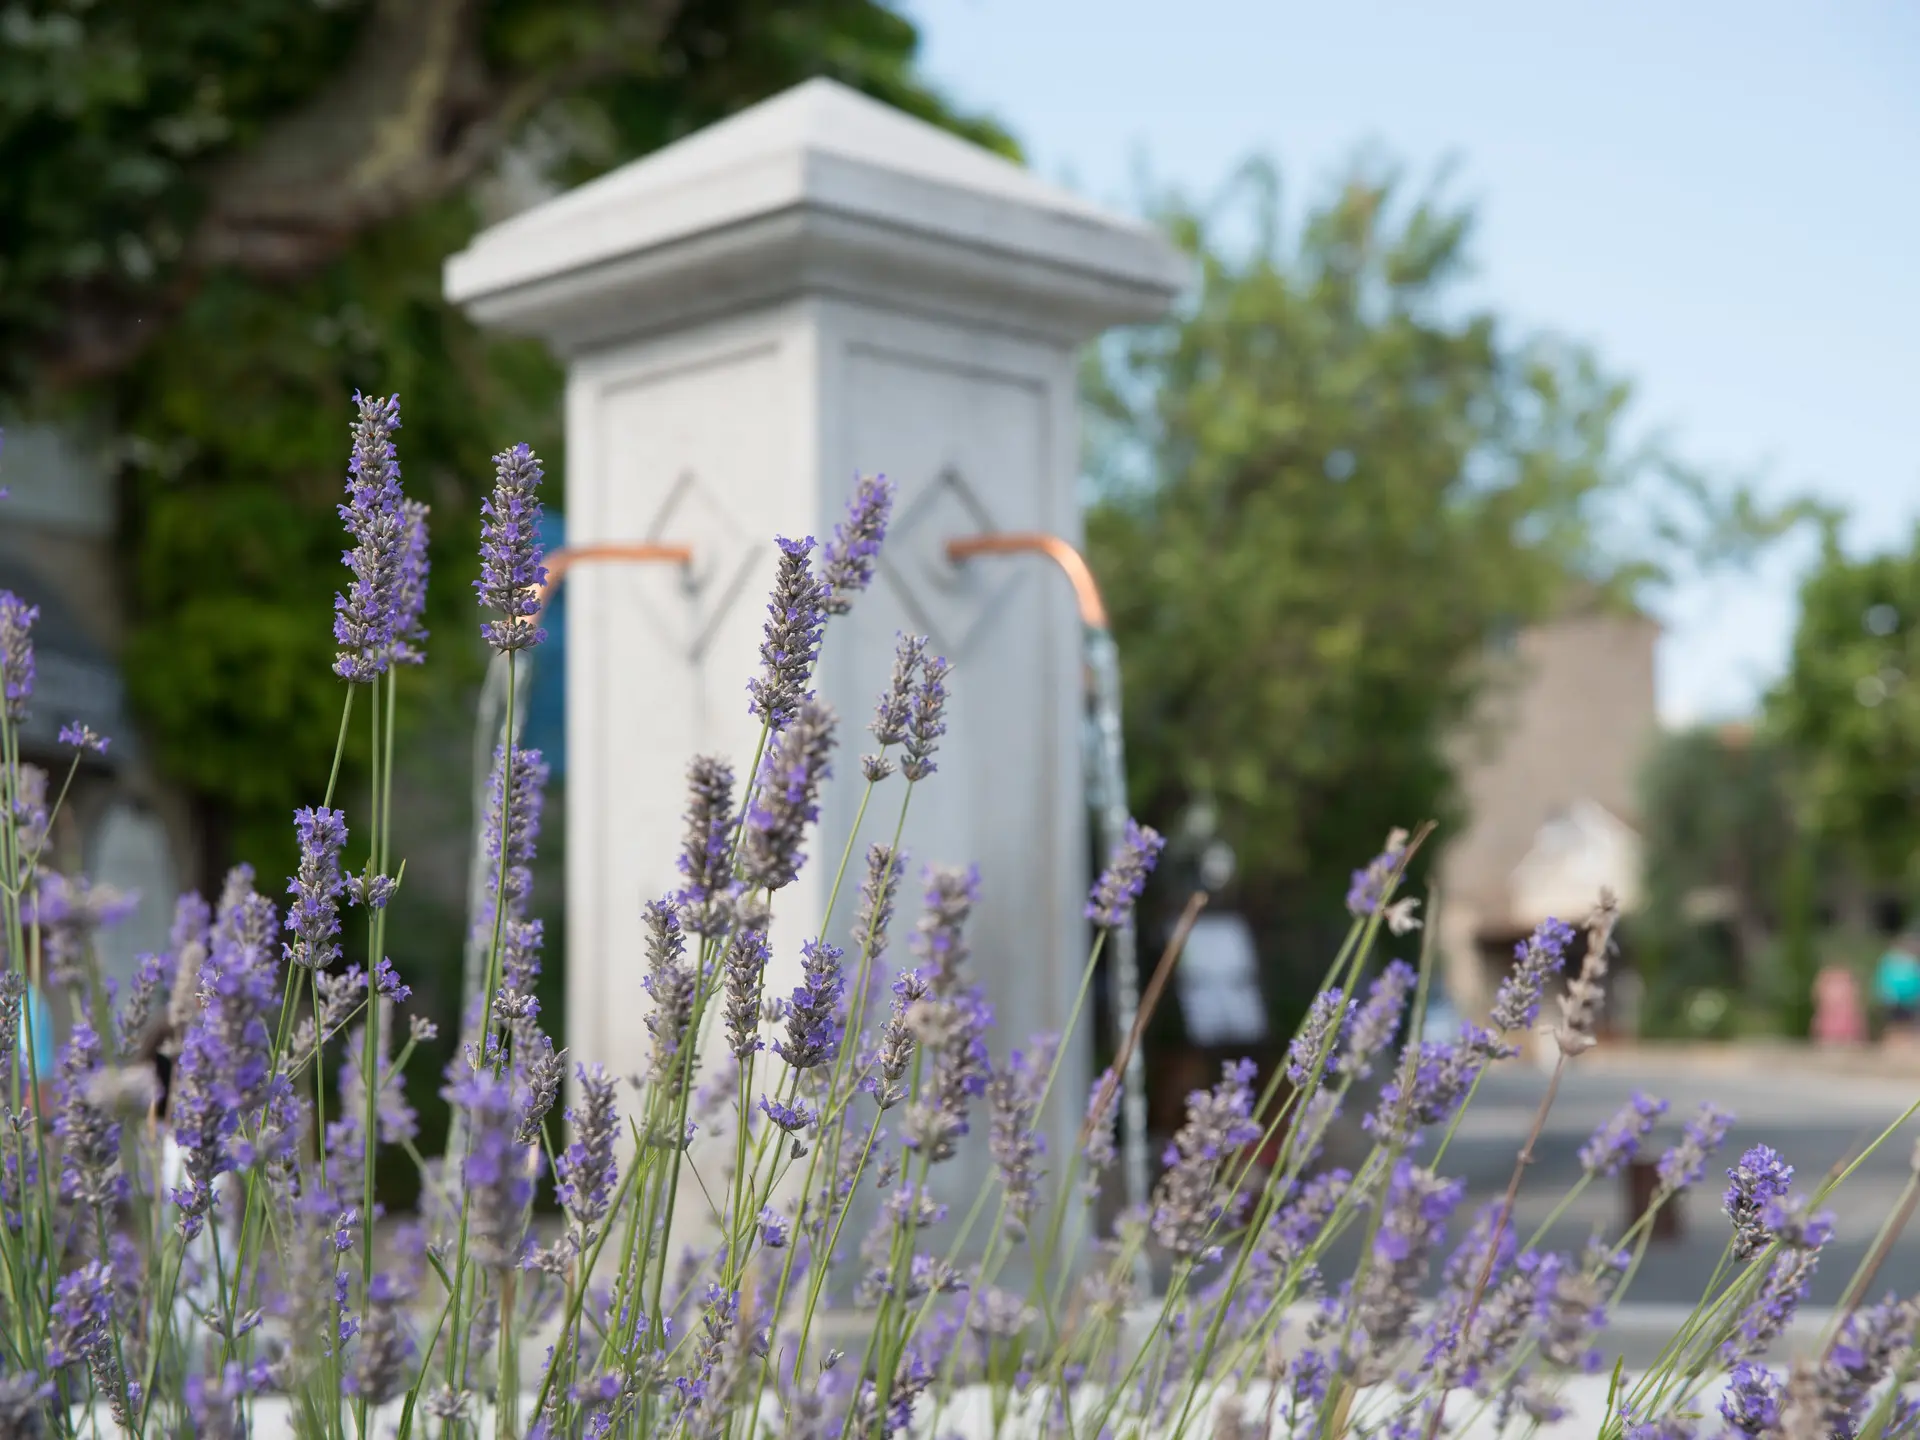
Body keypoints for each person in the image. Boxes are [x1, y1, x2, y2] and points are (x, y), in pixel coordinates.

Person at [1873, 932, 1920, 1036]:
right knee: (1894, 1024)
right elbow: (1883, 979)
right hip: (1894, 1000)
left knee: (1908, 1024)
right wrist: (1885, 994)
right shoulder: (1889, 960)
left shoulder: (1913, 961)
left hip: (1910, 1001)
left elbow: (1916, 981)